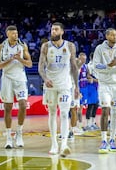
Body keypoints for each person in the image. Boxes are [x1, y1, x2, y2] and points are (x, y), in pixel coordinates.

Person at [38, 22, 79, 157]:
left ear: (62, 31)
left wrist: (76, 86)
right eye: (52, 29)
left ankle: (64, 144)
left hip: (65, 85)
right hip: (50, 84)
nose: (53, 31)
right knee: (52, 113)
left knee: (64, 113)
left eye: (56, 29)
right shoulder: (46, 46)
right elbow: (40, 66)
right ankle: (54, 144)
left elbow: (73, 67)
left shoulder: (70, 46)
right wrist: (45, 78)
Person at [93, 28, 116, 153]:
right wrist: (108, 66)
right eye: (112, 35)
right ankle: (103, 140)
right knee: (105, 109)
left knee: (115, 112)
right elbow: (96, 66)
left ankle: (112, 139)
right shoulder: (99, 48)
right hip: (104, 84)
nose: (115, 36)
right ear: (107, 36)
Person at [0, 25, 33, 149]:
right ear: (8, 34)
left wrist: (19, 59)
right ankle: (8, 137)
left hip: (20, 78)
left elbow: (29, 64)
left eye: (16, 33)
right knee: (7, 108)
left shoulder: (22, 46)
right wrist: (11, 59)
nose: (15, 35)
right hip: (7, 78)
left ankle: (19, 132)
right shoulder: (1, 47)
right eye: (13, 34)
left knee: (22, 105)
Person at [85, 52, 99, 130]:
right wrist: (95, 80)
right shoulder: (89, 66)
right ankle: (88, 124)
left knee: (96, 105)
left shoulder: (98, 65)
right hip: (91, 87)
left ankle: (93, 122)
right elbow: (88, 76)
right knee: (91, 105)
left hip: (97, 87)